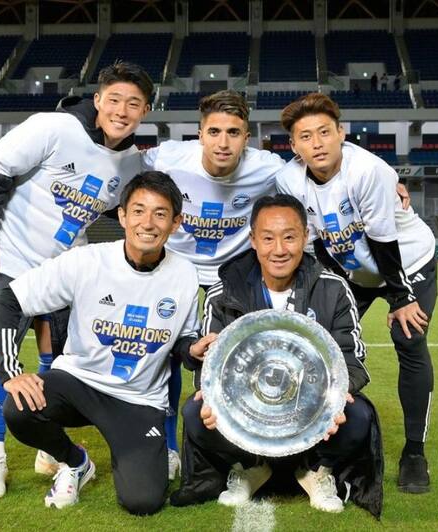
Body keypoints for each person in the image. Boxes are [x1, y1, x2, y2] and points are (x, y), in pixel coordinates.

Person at [0, 60, 152, 498]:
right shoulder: (52, 127)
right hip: (9, 258)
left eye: (134, 104)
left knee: (58, 355)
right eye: (116, 100)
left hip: (66, 268)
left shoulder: (128, 163)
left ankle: (47, 448)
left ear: (144, 112)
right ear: (99, 98)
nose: (122, 111)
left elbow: (121, 210)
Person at [0, 172, 200, 514]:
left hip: (138, 398)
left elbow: (182, 340)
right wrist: (11, 372)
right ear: (122, 216)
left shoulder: (185, 274)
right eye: (138, 211)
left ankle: (143, 455)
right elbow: (10, 300)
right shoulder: (86, 261)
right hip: (78, 383)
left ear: (176, 222)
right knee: (19, 407)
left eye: (160, 214)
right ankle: (74, 461)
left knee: (143, 502)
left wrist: (192, 350)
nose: (147, 223)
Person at [174, 194, 383, 517]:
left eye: (289, 237)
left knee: (358, 418)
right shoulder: (222, 294)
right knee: (196, 412)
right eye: (268, 238)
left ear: (307, 237)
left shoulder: (333, 289)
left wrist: (336, 398)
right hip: (249, 418)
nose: (279, 249)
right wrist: (214, 401)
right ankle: (250, 467)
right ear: (253, 240)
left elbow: (352, 362)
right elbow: (211, 368)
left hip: (312, 417)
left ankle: (317, 470)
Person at [276, 93, 437, 494]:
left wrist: (402, 298)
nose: (317, 143)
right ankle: (313, 441)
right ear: (294, 147)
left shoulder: (369, 170)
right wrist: (327, 296)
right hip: (355, 272)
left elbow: (384, 243)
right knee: (321, 345)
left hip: (407, 262)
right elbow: (315, 247)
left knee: (408, 337)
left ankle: (414, 453)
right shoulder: (289, 180)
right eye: (306, 136)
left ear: (341, 134)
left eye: (325, 132)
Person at [142, 90, 285, 475]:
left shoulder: (268, 167)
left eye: (234, 133)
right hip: (178, 270)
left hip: (232, 274)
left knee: (233, 359)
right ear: (200, 134)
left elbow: (314, 177)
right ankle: (170, 447)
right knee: (168, 356)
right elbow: (117, 164)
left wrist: (391, 185)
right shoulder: (169, 157)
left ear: (247, 137)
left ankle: (243, 439)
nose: (224, 143)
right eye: (215, 132)